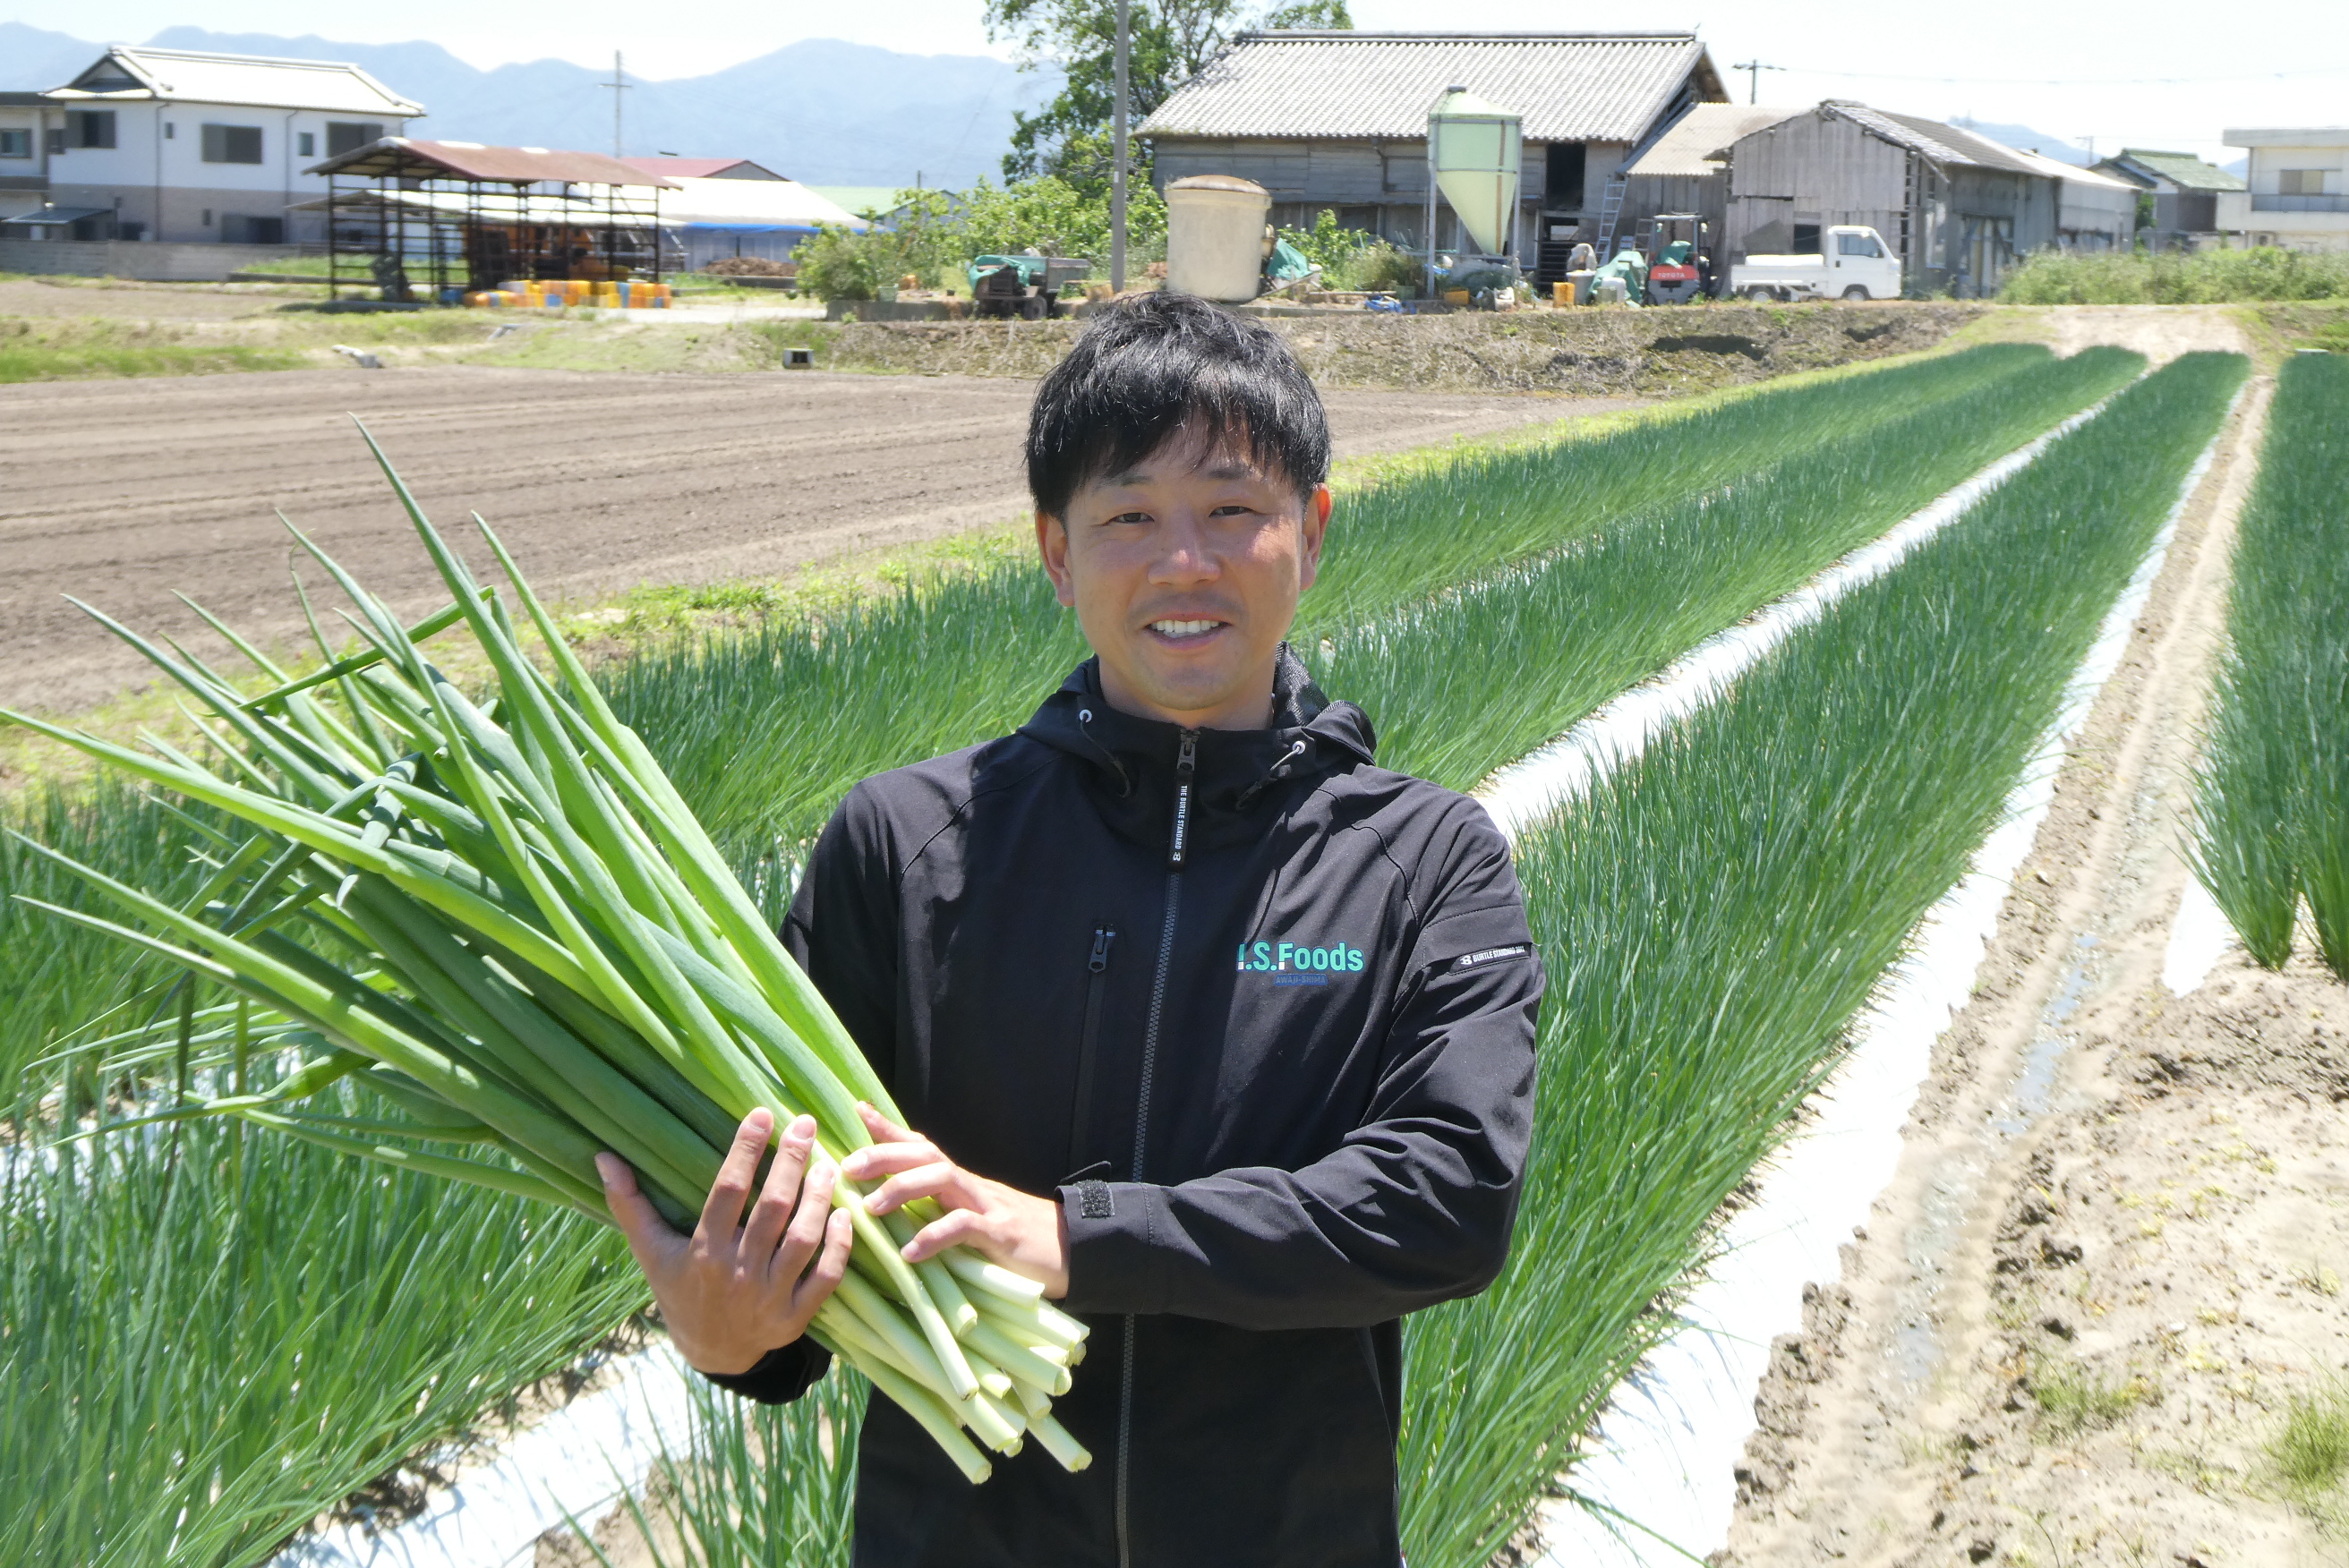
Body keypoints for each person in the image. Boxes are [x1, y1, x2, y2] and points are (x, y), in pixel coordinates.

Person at [595, 291, 1544, 1567]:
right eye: (1128, 517)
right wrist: (729, 1342)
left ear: (1310, 532)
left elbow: (1448, 1197)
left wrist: (1077, 1238)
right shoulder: (908, 846)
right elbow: (795, 1209)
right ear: (1055, 552)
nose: (1183, 564)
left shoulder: (1423, 861)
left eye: (1230, 510)